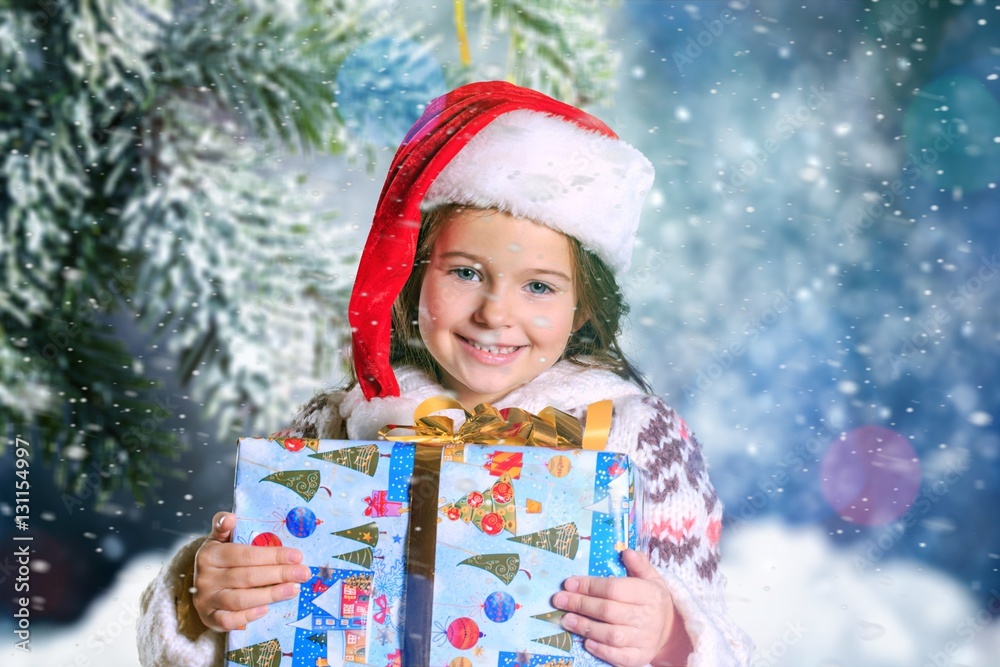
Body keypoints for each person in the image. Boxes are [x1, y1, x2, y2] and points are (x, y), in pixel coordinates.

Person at [138, 81, 754, 667]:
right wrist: (205, 596)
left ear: (583, 307)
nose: (494, 314)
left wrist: (668, 636)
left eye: (539, 286)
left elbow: (718, 639)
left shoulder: (641, 438)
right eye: (465, 272)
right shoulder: (335, 422)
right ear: (411, 273)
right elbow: (228, 638)